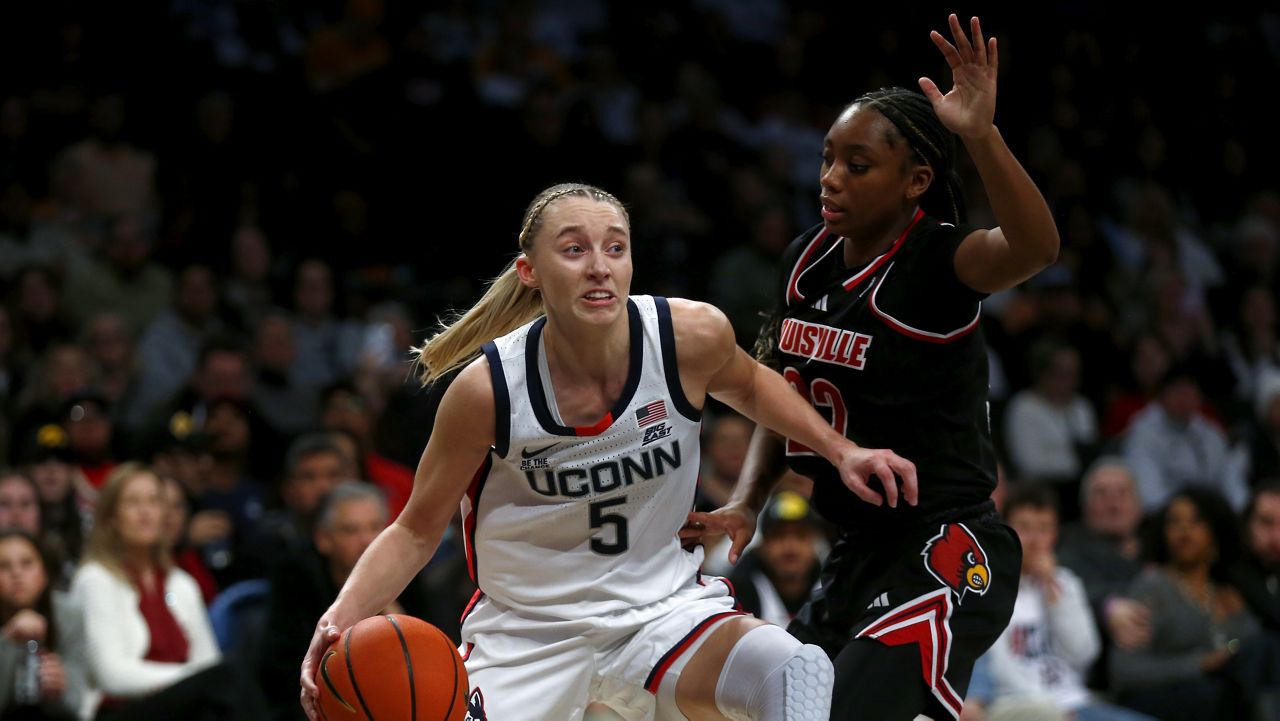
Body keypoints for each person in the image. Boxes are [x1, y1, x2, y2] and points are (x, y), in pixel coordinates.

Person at [299, 181, 919, 721]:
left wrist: (842, 452)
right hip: (528, 632)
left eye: (615, 247)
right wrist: (336, 620)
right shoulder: (487, 391)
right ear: (530, 272)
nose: (599, 265)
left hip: (663, 612)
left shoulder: (688, 336)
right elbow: (414, 530)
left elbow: (754, 384)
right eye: (574, 249)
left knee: (794, 670)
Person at [685, 14, 1061, 721]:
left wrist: (980, 133)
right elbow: (780, 392)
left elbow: (1036, 246)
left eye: (857, 166)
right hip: (857, 550)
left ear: (915, 179)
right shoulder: (806, 259)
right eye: (828, 157)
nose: (830, 178)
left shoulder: (935, 264)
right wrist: (748, 500)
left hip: (946, 545)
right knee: (780, 705)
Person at [70, 462, 267, 720]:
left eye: (153, 501)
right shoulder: (95, 579)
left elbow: (208, 661)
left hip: (179, 705)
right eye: (132, 502)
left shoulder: (181, 583)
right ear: (112, 518)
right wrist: (194, 680)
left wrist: (200, 681)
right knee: (224, 682)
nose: (145, 511)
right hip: (120, 709)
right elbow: (112, 675)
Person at [986, 486, 1154, 721]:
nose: (1035, 540)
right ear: (1005, 531)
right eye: (1024, 528)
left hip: (1076, 701)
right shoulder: (989, 587)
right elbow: (996, 665)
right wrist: (1049, 708)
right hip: (1022, 706)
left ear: (1055, 534)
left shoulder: (1066, 582)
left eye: (1043, 529)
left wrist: (1057, 598)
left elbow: (1084, 654)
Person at [0, 530, 82, 720]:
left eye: (27, 563)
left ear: (44, 573)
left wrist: (60, 690)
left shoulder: (69, 616)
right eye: (4, 566)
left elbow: (77, 703)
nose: (16, 573)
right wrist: (8, 640)